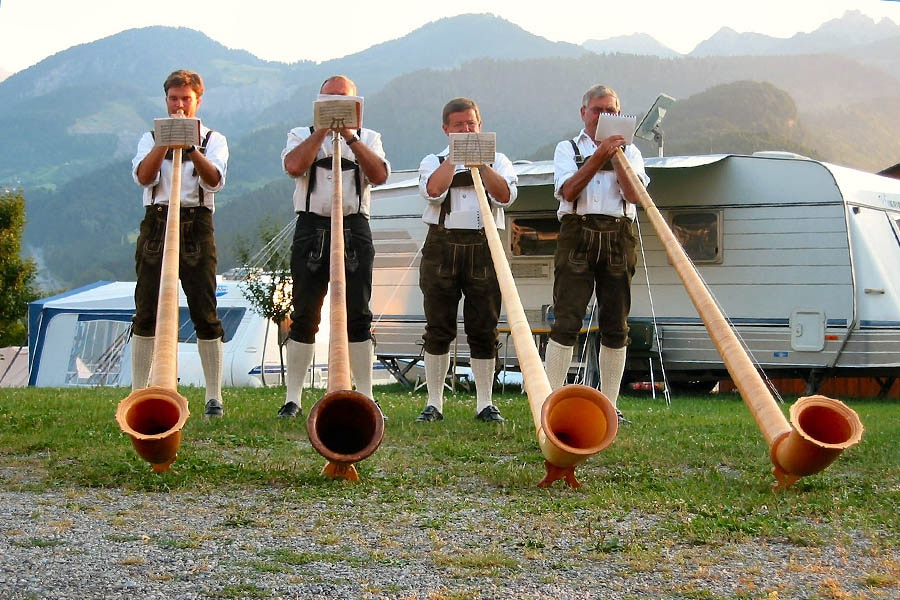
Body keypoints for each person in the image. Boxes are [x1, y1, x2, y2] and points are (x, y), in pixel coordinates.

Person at [276, 75, 390, 418]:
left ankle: (367, 397)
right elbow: (293, 166)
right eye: (329, 99)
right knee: (305, 313)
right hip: (312, 225)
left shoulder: (370, 137)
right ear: (318, 101)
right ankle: (293, 399)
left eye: (343, 99)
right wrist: (323, 131)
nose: (336, 103)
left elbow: (380, 175)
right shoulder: (301, 134)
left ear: (356, 104)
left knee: (359, 313)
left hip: (355, 225)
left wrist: (351, 137)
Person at [543, 84, 649, 423]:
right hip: (577, 231)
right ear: (584, 113)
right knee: (566, 320)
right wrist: (599, 155)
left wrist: (615, 156)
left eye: (612, 111)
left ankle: (610, 406)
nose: (605, 116)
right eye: (598, 110)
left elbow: (634, 196)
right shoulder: (567, 147)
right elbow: (568, 190)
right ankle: (550, 404)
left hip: (619, 234)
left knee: (616, 324)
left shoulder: (631, 152)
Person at [130, 69, 230, 417]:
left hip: (196, 221)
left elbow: (215, 180)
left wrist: (190, 147)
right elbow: (144, 177)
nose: (179, 105)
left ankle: (213, 396)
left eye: (185, 99)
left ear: (197, 101)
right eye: (173, 98)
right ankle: (137, 393)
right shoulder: (149, 137)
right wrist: (164, 141)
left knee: (204, 307)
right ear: (166, 100)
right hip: (157, 220)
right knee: (146, 308)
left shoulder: (213, 139)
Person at [414, 97, 518, 423]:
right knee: (438, 326)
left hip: (484, 247)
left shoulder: (499, 159)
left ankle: (485, 404)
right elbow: (432, 192)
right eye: (459, 125)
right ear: (446, 129)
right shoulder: (433, 160)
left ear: (480, 125)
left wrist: (481, 164)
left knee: (484, 327)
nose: (466, 129)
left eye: (471, 123)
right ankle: (434, 403)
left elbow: (506, 196)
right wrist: (455, 159)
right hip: (441, 247)